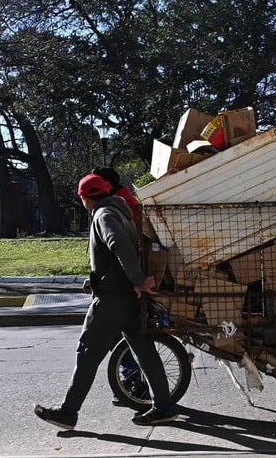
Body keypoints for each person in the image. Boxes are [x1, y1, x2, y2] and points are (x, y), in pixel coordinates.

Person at [34, 174, 176, 430]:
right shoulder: (120, 212)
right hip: (129, 299)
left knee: (87, 352)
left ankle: (68, 413)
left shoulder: (103, 215)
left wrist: (137, 280)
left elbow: (118, 244)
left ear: (84, 197)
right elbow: (113, 255)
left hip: (112, 301)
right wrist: (98, 279)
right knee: (144, 351)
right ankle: (163, 407)